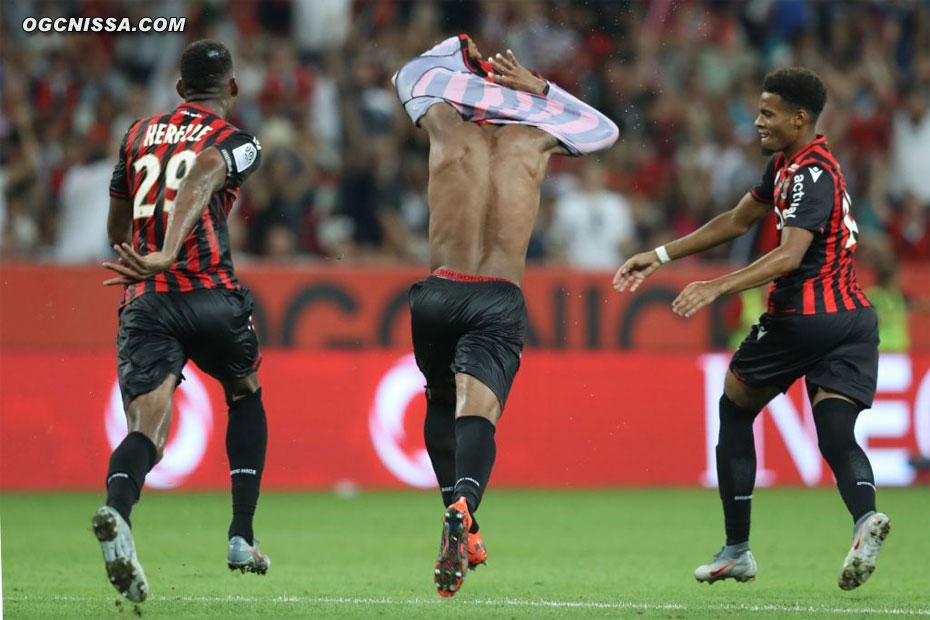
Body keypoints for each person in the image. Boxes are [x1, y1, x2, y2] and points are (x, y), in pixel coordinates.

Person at [614, 67, 889, 591]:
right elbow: (736, 221)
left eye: (768, 113)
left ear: (799, 118)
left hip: (802, 318)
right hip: (853, 321)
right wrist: (661, 254)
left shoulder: (809, 174)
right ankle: (864, 519)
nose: (757, 121)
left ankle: (737, 549)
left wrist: (717, 287)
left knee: (735, 403)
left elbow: (789, 256)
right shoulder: (790, 166)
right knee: (834, 430)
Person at [393, 34, 618, 597]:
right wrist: (542, 89)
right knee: (479, 412)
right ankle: (466, 506)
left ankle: (456, 512)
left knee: (441, 401)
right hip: (497, 293)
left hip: (438, 290)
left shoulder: (446, 125)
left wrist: (461, 55)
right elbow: (605, 130)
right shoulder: (536, 138)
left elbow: (407, 75)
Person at [94, 40, 269, 603]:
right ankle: (241, 535)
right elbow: (205, 171)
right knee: (244, 392)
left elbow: (117, 224)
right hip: (210, 293)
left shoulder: (137, 134)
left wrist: (148, 258)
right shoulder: (236, 141)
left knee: (147, 428)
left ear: (178, 90)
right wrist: (172, 248)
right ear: (233, 89)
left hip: (146, 300)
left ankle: (117, 514)